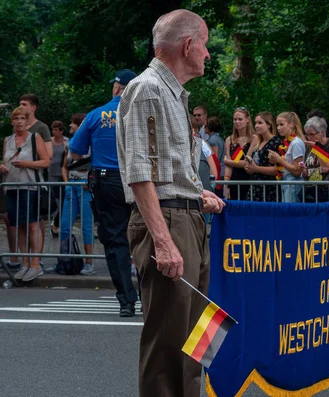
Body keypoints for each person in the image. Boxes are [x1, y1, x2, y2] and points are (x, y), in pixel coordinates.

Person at [115, 10, 225, 397]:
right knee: (168, 344)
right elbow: (139, 172)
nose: (208, 54)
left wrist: (198, 193)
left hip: (185, 218)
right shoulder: (148, 89)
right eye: (206, 44)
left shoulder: (173, 93)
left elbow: (167, 168)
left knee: (199, 335)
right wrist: (162, 241)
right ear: (188, 45)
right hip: (168, 222)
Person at [69, 69, 139, 316]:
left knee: (115, 240)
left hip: (107, 181)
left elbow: (76, 152)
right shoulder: (142, 113)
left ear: (117, 88)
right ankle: (150, 296)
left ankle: (126, 301)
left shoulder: (96, 114)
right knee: (146, 237)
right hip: (140, 181)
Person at [0, 107, 50, 282]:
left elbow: (45, 161)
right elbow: (5, 159)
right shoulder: (8, 140)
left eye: (22, 118)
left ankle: (36, 264)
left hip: (31, 186)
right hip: (12, 186)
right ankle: (25, 263)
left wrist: (27, 163)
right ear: (12, 122)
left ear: (27, 121)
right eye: (16, 118)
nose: (19, 121)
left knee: (33, 225)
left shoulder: (34, 138)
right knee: (19, 225)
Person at [53, 113, 95, 275]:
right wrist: (67, 182)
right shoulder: (70, 143)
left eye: (73, 124)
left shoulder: (93, 143)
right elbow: (65, 166)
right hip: (72, 185)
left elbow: (96, 165)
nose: (70, 126)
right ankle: (64, 260)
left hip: (85, 187)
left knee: (86, 226)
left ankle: (89, 261)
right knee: (64, 226)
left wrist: (90, 182)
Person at [301, 116, 329, 202]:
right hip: (312, 188)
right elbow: (306, 173)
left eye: (312, 134)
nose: (309, 138)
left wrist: (316, 148)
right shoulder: (309, 147)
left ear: (322, 133)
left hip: (328, 188)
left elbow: (326, 167)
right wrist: (304, 170)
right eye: (307, 135)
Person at [268, 112, 306, 202]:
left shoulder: (296, 143)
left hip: (293, 182)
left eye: (281, 124)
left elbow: (297, 171)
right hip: (286, 181)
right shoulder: (287, 142)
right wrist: (276, 161)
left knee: (291, 212)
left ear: (291, 124)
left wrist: (279, 160)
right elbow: (287, 164)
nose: (278, 128)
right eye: (277, 125)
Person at [244, 112, 281, 202]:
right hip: (255, 186)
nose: (256, 126)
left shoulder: (276, 142)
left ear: (269, 125)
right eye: (256, 123)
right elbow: (249, 162)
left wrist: (256, 168)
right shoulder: (258, 142)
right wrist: (249, 168)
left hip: (269, 188)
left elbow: (277, 169)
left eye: (260, 123)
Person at [224, 107, 254, 200]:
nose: (237, 122)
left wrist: (228, 161)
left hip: (249, 180)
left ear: (247, 120)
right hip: (234, 180)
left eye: (240, 119)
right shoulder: (229, 139)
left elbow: (246, 163)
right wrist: (226, 184)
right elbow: (228, 167)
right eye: (235, 119)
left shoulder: (254, 138)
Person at [49, 120, 70, 237]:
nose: (54, 132)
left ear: (61, 131)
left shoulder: (67, 141)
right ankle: (55, 221)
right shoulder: (49, 142)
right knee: (54, 200)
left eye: (56, 130)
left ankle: (55, 223)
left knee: (63, 199)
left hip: (63, 173)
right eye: (53, 130)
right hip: (51, 174)